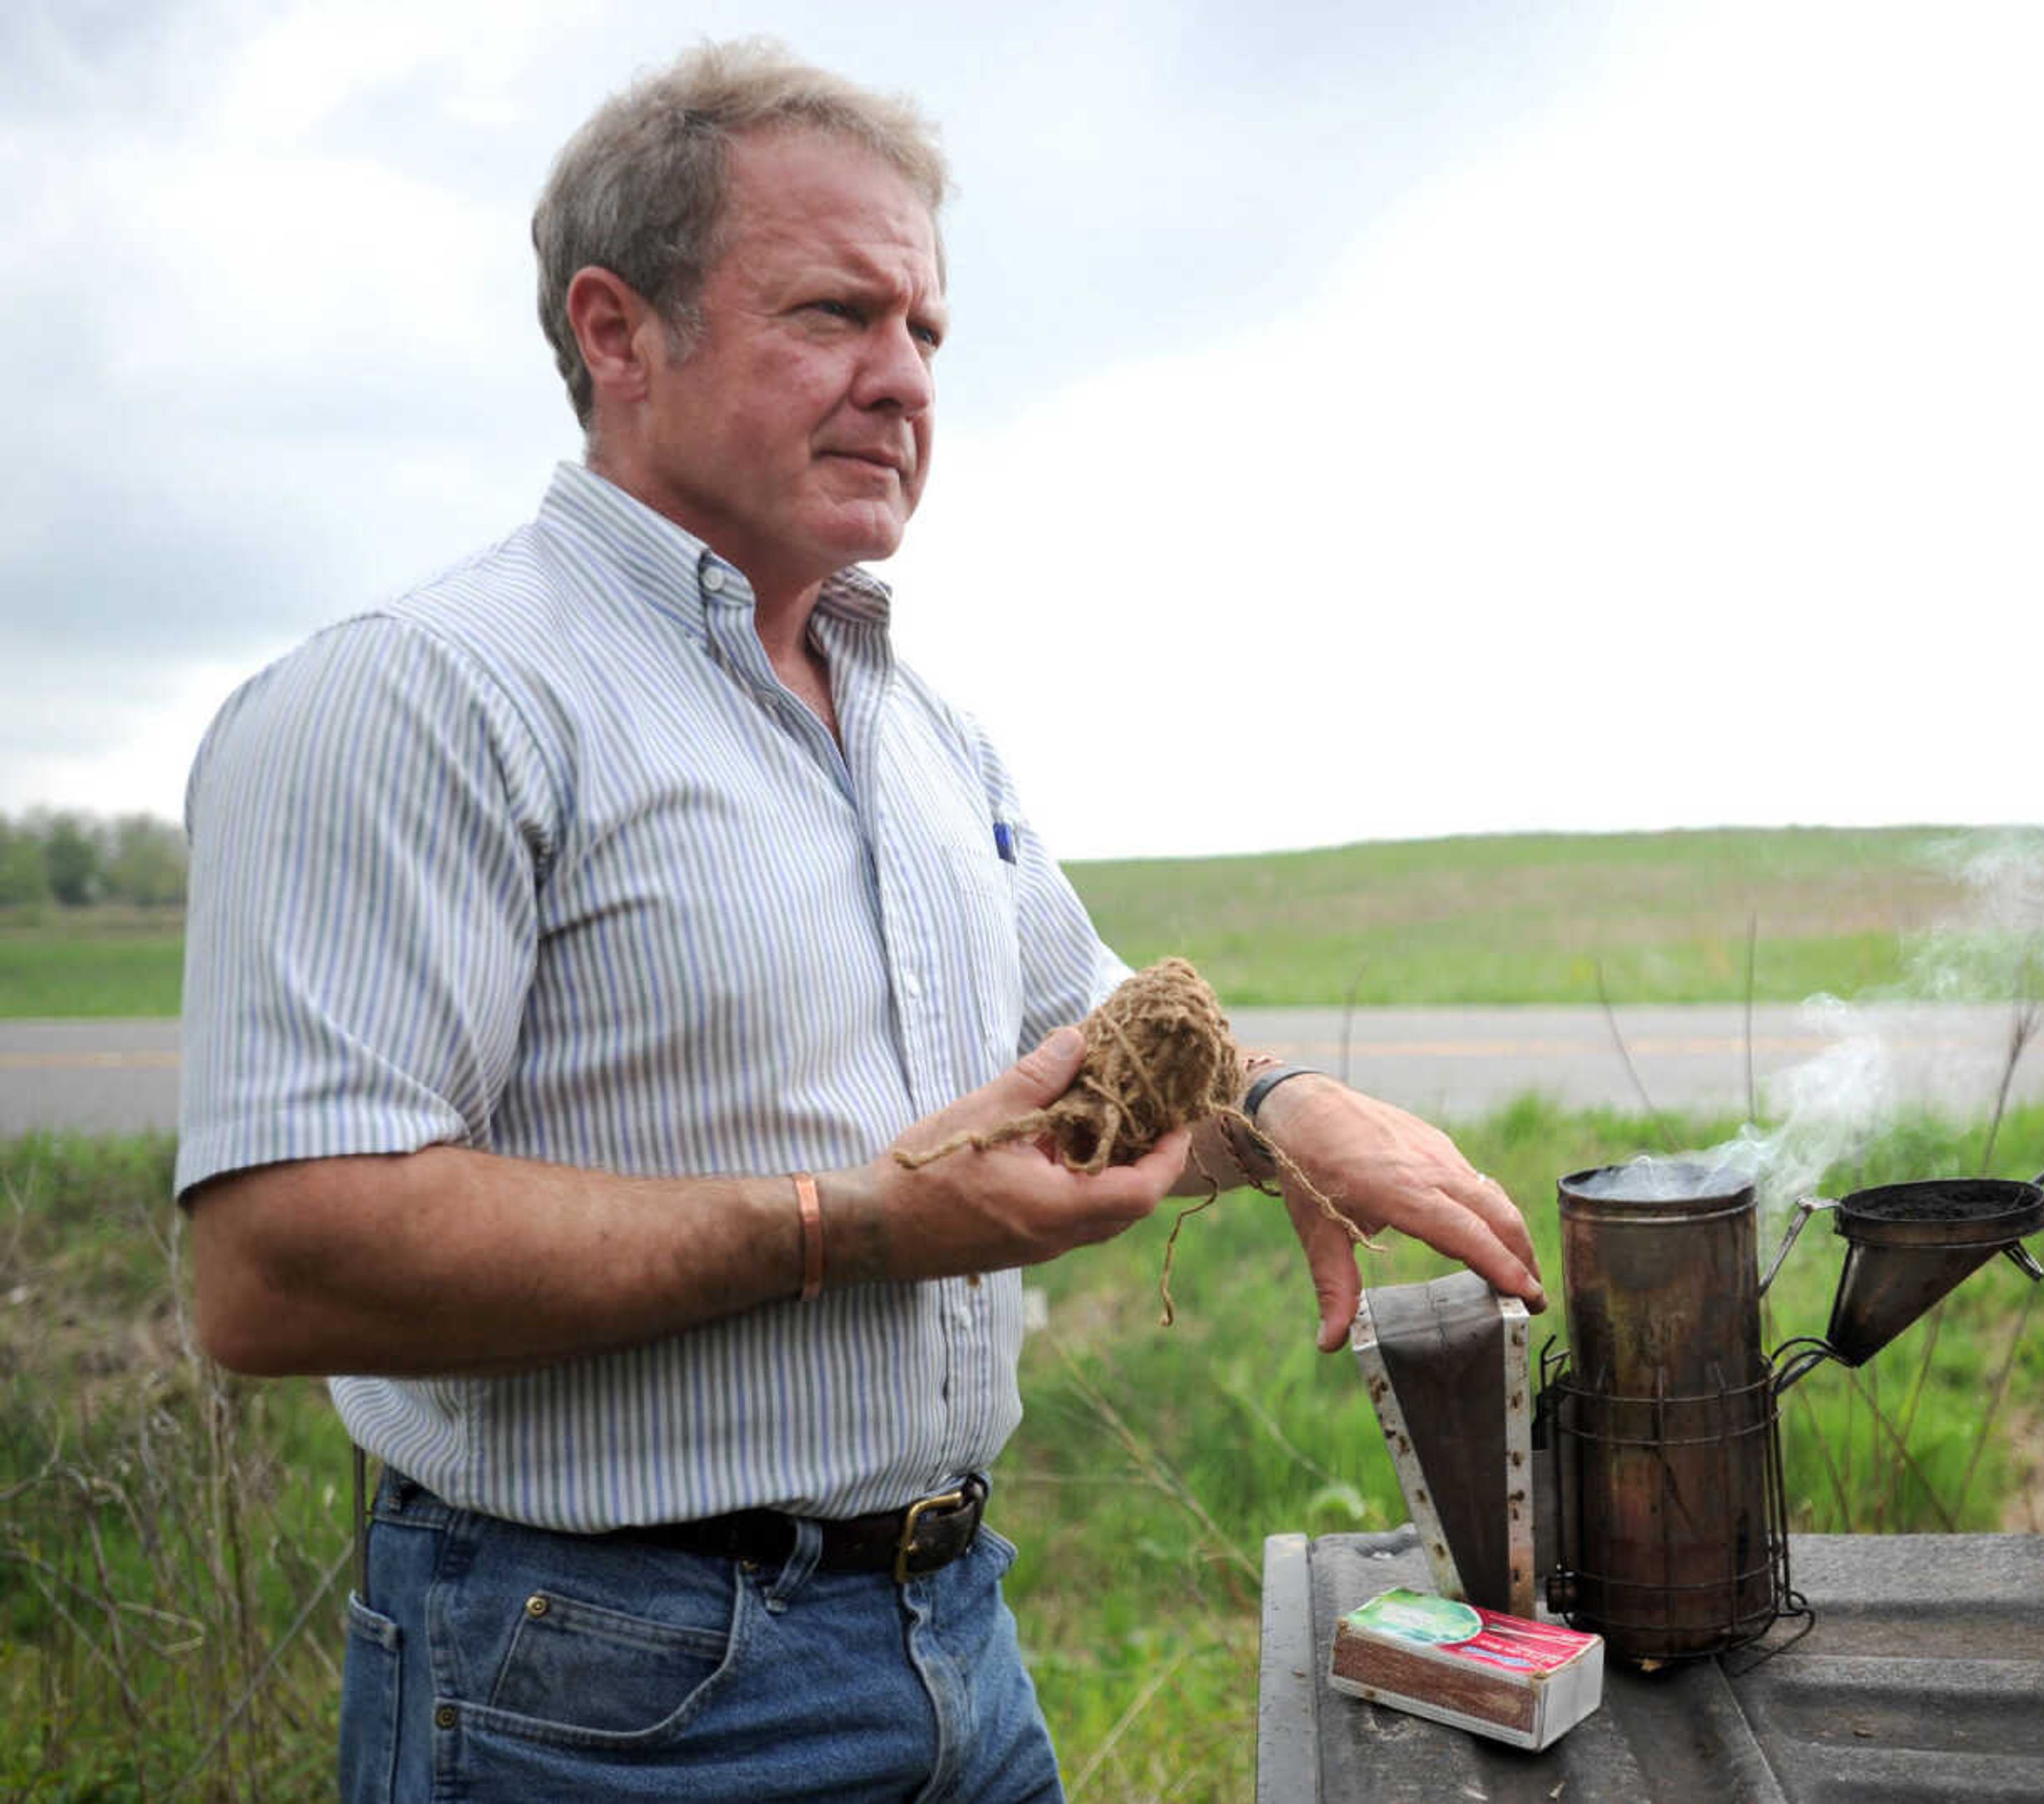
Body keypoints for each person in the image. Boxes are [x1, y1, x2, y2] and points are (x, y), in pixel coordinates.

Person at [176, 39, 1542, 1803]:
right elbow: (277, 1261)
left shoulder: (921, 728)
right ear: (618, 332)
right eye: (834, 314)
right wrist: (855, 1226)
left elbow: (1110, 1048)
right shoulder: (422, 696)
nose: (903, 382)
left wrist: (1285, 1114)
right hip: (596, 1688)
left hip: (951, 1631)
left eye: (927, 335)